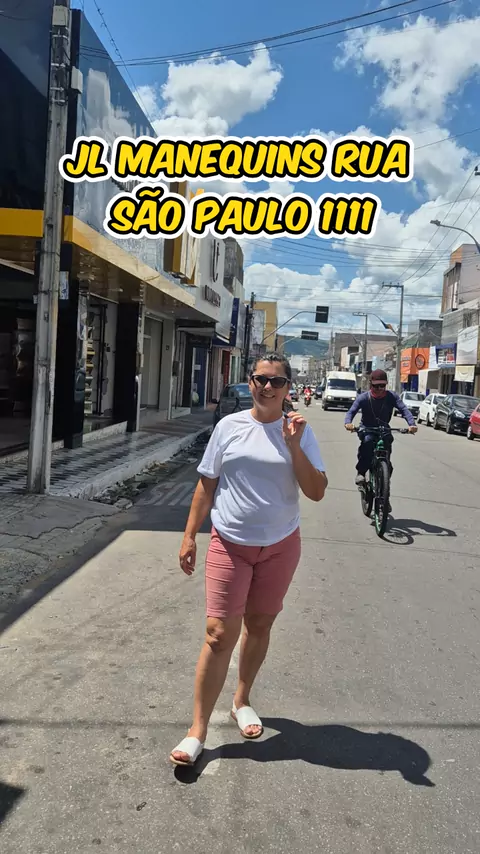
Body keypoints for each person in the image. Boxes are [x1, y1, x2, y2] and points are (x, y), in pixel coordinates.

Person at [171, 353, 328, 767]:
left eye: (277, 381)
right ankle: (197, 730)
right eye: (261, 379)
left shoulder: (300, 431)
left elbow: (316, 491)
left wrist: (293, 446)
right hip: (230, 543)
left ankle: (241, 700)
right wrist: (189, 535)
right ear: (251, 382)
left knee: (259, 625)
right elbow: (207, 484)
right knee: (218, 634)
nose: (268, 387)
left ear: (288, 388)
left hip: (280, 545)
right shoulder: (229, 426)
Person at [344, 369, 417, 486]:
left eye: (382, 386)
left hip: (384, 428)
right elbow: (351, 412)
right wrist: (348, 423)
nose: (379, 389)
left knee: (387, 442)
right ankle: (361, 472)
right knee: (367, 442)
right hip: (367, 428)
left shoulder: (392, 397)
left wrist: (411, 424)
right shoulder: (363, 398)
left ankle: (384, 476)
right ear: (370, 384)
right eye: (376, 386)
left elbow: (404, 410)